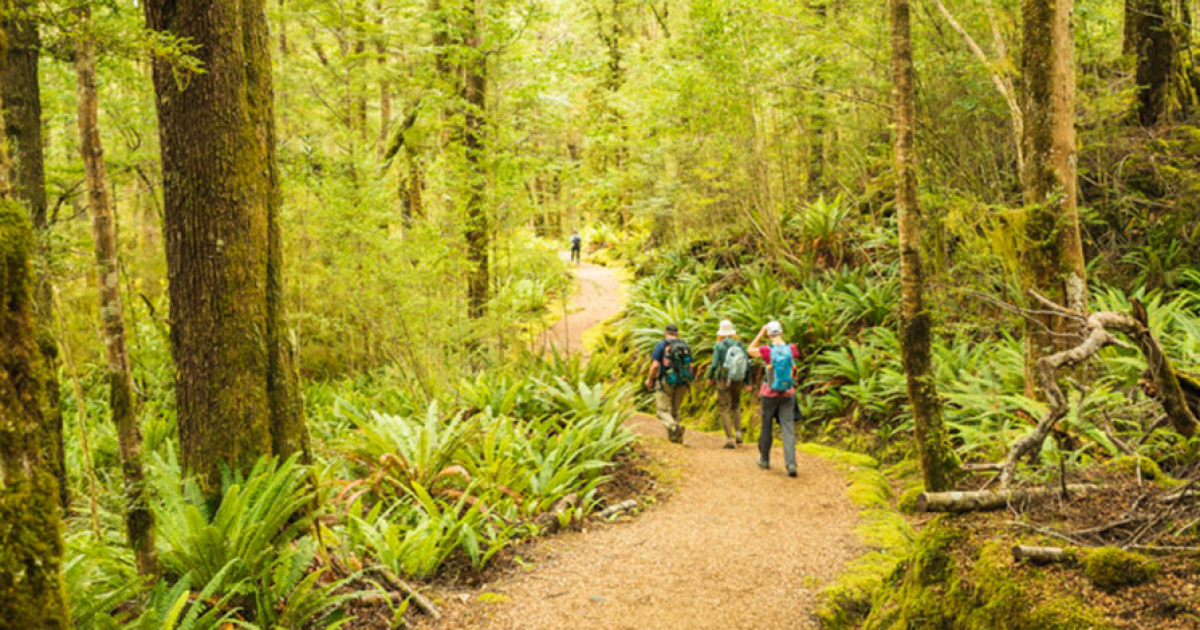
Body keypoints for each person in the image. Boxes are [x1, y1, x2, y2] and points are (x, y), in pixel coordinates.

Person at [748, 320, 799, 477]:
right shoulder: (792, 349)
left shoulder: (766, 350)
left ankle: (764, 459)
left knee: (766, 426)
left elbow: (749, 350)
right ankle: (791, 464)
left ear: (769, 334)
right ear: (781, 332)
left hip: (769, 393)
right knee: (788, 428)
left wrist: (760, 333)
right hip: (787, 393)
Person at [645, 324, 693, 444]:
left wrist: (650, 379)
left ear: (665, 332)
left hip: (667, 379)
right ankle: (674, 439)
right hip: (682, 380)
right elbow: (690, 366)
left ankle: (673, 426)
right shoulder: (684, 345)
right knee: (675, 411)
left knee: (662, 411)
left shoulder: (662, 345)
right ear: (677, 333)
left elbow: (655, 365)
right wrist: (688, 380)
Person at [708, 319, 749, 449]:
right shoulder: (740, 345)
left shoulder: (719, 345)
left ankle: (729, 438)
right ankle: (738, 434)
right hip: (738, 378)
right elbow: (747, 365)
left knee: (724, 407)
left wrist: (710, 377)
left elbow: (715, 364)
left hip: (724, 377)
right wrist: (747, 382)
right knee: (736, 406)